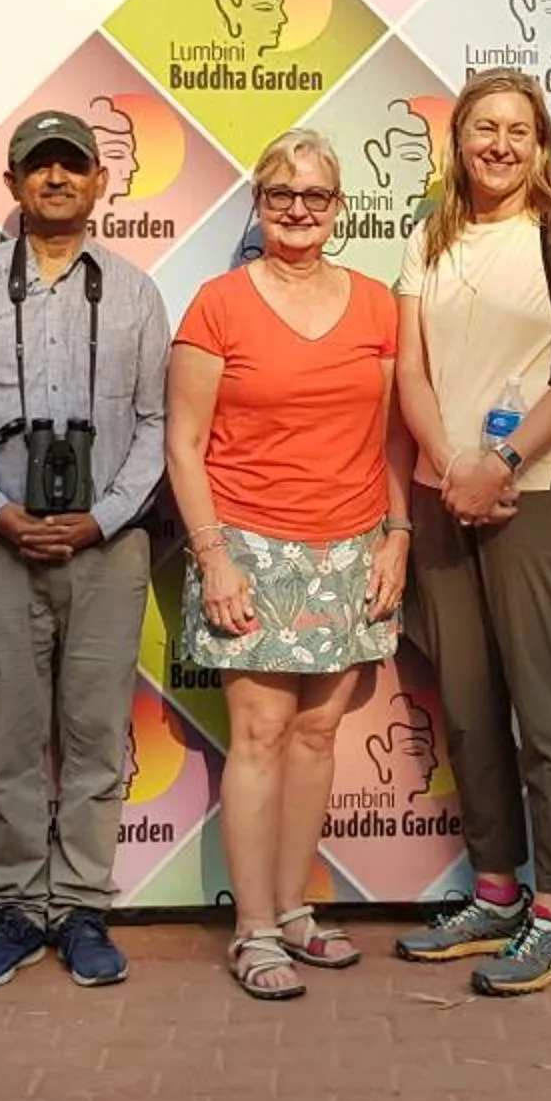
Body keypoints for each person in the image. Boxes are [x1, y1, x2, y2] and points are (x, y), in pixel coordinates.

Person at [0, 109, 172, 990]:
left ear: (101, 183)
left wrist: (102, 516)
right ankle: (19, 908)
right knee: (13, 733)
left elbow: (155, 424)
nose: (57, 179)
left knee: (97, 733)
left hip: (107, 544)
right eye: (40, 166)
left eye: (74, 166)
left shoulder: (137, 292)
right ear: (15, 183)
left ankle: (85, 909)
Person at [163, 130, 408, 1000]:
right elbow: (184, 447)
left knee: (315, 737)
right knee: (260, 736)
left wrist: (397, 536)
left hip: (351, 546)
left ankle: (299, 911)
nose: (299, 210)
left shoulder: (381, 306)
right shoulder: (218, 305)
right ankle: (254, 928)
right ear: (259, 205)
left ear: (340, 207)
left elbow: (391, 440)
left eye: (315, 195)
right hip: (250, 546)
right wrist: (215, 558)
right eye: (280, 195)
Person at [389, 68, 551, 997]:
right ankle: (494, 891)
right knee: (472, 710)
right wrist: (449, 470)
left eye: (519, 129)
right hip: (450, 494)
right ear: (460, 139)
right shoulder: (427, 243)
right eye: (486, 126)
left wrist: (500, 467)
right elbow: (412, 374)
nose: (502, 144)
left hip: (540, 494)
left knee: (543, 707)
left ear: (542, 143)